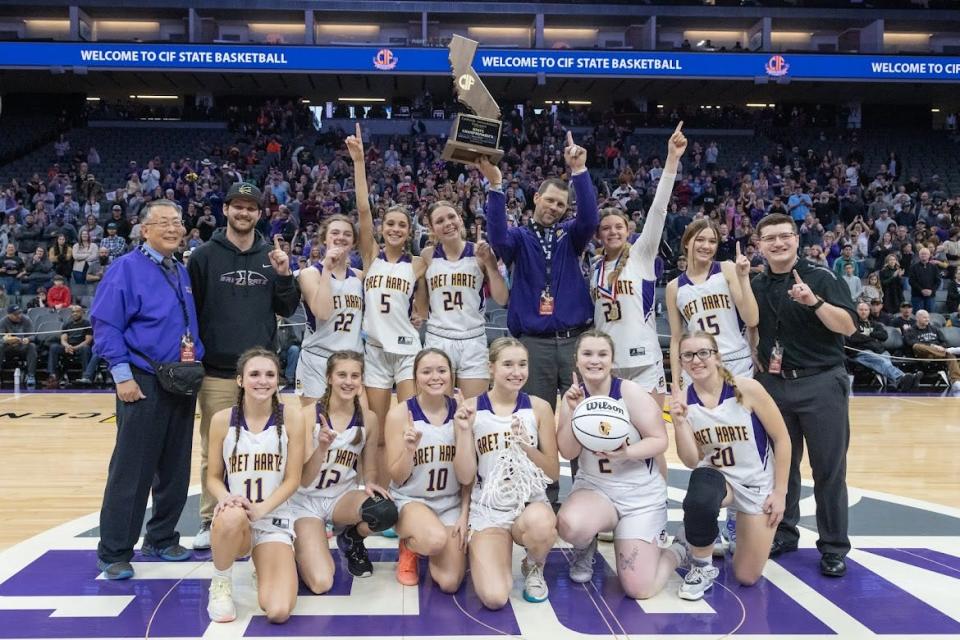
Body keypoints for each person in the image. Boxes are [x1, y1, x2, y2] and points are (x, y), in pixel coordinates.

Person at [478, 131, 596, 508]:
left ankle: (583, 491)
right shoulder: (517, 239)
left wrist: (579, 171)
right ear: (536, 199)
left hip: (576, 341)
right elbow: (496, 234)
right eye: (549, 201)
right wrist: (495, 187)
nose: (555, 208)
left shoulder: (570, 236)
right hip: (534, 344)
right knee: (537, 423)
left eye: (562, 204)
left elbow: (590, 216)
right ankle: (543, 492)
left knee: (582, 418)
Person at [90, 199, 204, 580]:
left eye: (178, 222)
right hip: (141, 380)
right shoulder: (126, 269)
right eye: (164, 223)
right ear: (145, 230)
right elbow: (106, 324)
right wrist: (122, 376)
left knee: (175, 466)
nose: (173, 228)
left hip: (180, 380)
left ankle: (161, 537)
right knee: (132, 469)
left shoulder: (180, 271)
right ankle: (114, 551)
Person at [187, 181, 300, 551]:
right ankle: (210, 517)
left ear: (259, 213)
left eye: (251, 207)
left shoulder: (272, 255)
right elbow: (192, 311)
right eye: (238, 206)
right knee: (215, 450)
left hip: (262, 376)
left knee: (271, 446)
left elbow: (286, 308)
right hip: (218, 371)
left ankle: (269, 513)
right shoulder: (203, 256)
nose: (244, 212)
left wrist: (284, 275)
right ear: (226, 210)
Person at [749, 213, 856, 578]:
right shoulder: (756, 283)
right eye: (770, 239)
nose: (777, 244)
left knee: (828, 469)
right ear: (759, 244)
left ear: (796, 239)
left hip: (821, 382)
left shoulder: (821, 277)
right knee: (783, 467)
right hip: (774, 385)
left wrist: (814, 302)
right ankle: (784, 532)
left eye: (784, 237)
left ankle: (833, 547)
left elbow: (849, 326)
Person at [556, 330, 682, 600]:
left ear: (612, 360)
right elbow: (567, 451)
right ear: (576, 360)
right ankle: (585, 547)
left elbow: (660, 440)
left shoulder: (630, 392)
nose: (595, 360)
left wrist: (628, 452)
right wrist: (571, 412)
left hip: (640, 495)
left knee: (639, 589)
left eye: (602, 354)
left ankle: (679, 550)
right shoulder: (573, 397)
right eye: (587, 354)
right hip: (596, 488)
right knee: (570, 525)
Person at [668, 331, 790, 600]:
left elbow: (782, 439)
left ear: (717, 356)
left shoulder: (748, 389)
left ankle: (693, 533)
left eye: (703, 353)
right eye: (687, 355)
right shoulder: (685, 401)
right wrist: (678, 423)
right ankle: (701, 565)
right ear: (681, 361)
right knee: (700, 495)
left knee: (746, 576)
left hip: (756, 484)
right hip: (720, 481)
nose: (696, 360)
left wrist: (780, 493)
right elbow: (691, 460)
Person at [453, 337, 559, 608]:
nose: (517, 372)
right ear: (491, 368)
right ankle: (487, 553)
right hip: (488, 508)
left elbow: (553, 472)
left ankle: (534, 565)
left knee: (543, 525)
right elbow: (465, 477)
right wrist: (464, 432)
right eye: (508, 364)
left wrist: (526, 446)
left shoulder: (539, 408)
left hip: (528, 505)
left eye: (522, 364)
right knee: (495, 598)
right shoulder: (472, 410)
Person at [349, 124, 426, 496]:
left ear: (409, 232)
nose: (395, 229)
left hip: (407, 353)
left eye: (402, 225)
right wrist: (360, 163)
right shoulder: (371, 257)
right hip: (376, 352)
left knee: (408, 423)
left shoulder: (418, 263)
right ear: (382, 229)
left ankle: (409, 487)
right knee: (376, 429)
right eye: (390, 224)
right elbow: (362, 209)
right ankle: (376, 492)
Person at [205, 348, 304, 624]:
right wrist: (226, 498)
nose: (263, 381)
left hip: (273, 520)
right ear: (240, 380)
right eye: (255, 374)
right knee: (233, 514)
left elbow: (293, 479)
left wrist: (261, 510)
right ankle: (221, 582)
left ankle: (261, 564)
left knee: (279, 611)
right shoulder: (221, 420)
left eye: (270, 374)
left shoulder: (292, 417)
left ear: (278, 380)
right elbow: (213, 476)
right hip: (236, 519)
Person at [594, 124, 686, 408]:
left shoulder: (642, 254)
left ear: (628, 228)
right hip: (607, 364)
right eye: (606, 228)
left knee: (652, 435)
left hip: (644, 361)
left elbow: (658, 211)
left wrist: (672, 161)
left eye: (618, 227)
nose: (612, 232)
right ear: (598, 235)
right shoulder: (594, 268)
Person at [288, 351, 395, 589]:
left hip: (340, 498)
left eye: (355, 376)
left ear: (361, 381)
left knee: (385, 510)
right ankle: (295, 545)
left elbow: (369, 467)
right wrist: (322, 448)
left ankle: (352, 538)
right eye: (342, 375)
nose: (348, 381)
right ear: (329, 378)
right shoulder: (306, 415)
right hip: (306, 502)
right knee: (321, 582)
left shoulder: (368, 418)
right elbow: (303, 480)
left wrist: (369, 482)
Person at [385, 349, 469, 590]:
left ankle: (432, 542)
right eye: (426, 371)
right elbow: (398, 477)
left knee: (450, 582)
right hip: (411, 500)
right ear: (415, 377)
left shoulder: (461, 412)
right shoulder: (399, 414)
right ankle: (410, 545)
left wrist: (465, 513)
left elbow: (469, 476)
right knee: (434, 540)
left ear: (451, 376)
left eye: (442, 371)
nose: (435, 377)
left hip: (450, 503)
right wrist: (409, 450)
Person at [420, 201, 509, 398]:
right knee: (439, 410)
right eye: (440, 220)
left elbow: (502, 298)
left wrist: (490, 263)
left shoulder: (479, 254)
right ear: (432, 229)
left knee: (474, 410)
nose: (448, 223)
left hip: (473, 338)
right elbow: (421, 305)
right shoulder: (427, 256)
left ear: (460, 219)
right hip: (438, 337)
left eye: (452, 217)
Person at [667, 218, 758, 385]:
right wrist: (675, 382)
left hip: (734, 359)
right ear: (687, 242)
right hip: (697, 361)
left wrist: (744, 278)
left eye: (712, 241)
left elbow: (752, 320)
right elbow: (676, 339)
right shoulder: (673, 287)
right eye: (700, 239)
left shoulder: (727, 269)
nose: (706, 246)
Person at [295, 215, 363, 403]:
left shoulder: (359, 277)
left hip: (351, 360)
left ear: (353, 242)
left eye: (347, 234)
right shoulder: (310, 274)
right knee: (314, 424)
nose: (341, 237)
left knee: (354, 424)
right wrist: (327, 269)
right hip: (318, 359)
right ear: (325, 238)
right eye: (335, 232)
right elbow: (322, 312)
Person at [846, 301, 918, 391]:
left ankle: (900, 383)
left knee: (885, 362)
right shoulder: (851, 324)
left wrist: (868, 335)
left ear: (869, 311)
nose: (863, 312)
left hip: (879, 350)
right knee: (882, 362)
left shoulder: (875, 324)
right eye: (861, 309)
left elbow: (884, 336)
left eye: (865, 310)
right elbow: (854, 338)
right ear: (856, 311)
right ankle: (901, 377)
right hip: (861, 352)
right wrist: (872, 338)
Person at [904, 310, 960, 395]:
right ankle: (944, 352)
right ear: (917, 318)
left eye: (928, 317)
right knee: (917, 346)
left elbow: (944, 342)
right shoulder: (911, 330)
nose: (927, 319)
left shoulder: (934, 329)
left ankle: (956, 381)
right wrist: (932, 346)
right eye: (924, 317)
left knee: (950, 354)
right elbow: (910, 343)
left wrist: (941, 347)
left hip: (938, 355)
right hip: (923, 355)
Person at [45, 304, 93, 389]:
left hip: (80, 347)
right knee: (54, 347)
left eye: (77, 312)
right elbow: (63, 339)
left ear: (82, 313)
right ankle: (53, 375)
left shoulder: (87, 324)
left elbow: (87, 340)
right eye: (73, 312)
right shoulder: (67, 324)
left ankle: (85, 376)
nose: (75, 314)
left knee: (86, 348)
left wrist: (75, 348)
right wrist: (67, 346)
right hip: (68, 347)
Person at [0, 304, 37, 387]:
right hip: (8, 347)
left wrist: (28, 339)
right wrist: (8, 340)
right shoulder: (3, 321)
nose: (19, 316)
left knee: (32, 346)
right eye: (16, 314)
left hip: (22, 346)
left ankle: (31, 375)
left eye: (20, 313)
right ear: (9, 315)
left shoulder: (26, 319)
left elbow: (33, 335)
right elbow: (1, 338)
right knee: (0, 346)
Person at [908, 247, 940, 313]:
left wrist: (931, 291)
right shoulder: (913, 267)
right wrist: (921, 290)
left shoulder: (934, 267)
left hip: (930, 296)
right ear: (919, 255)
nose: (923, 255)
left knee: (930, 315)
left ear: (929, 255)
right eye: (922, 254)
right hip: (917, 296)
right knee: (918, 315)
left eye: (925, 254)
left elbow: (938, 281)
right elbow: (911, 281)